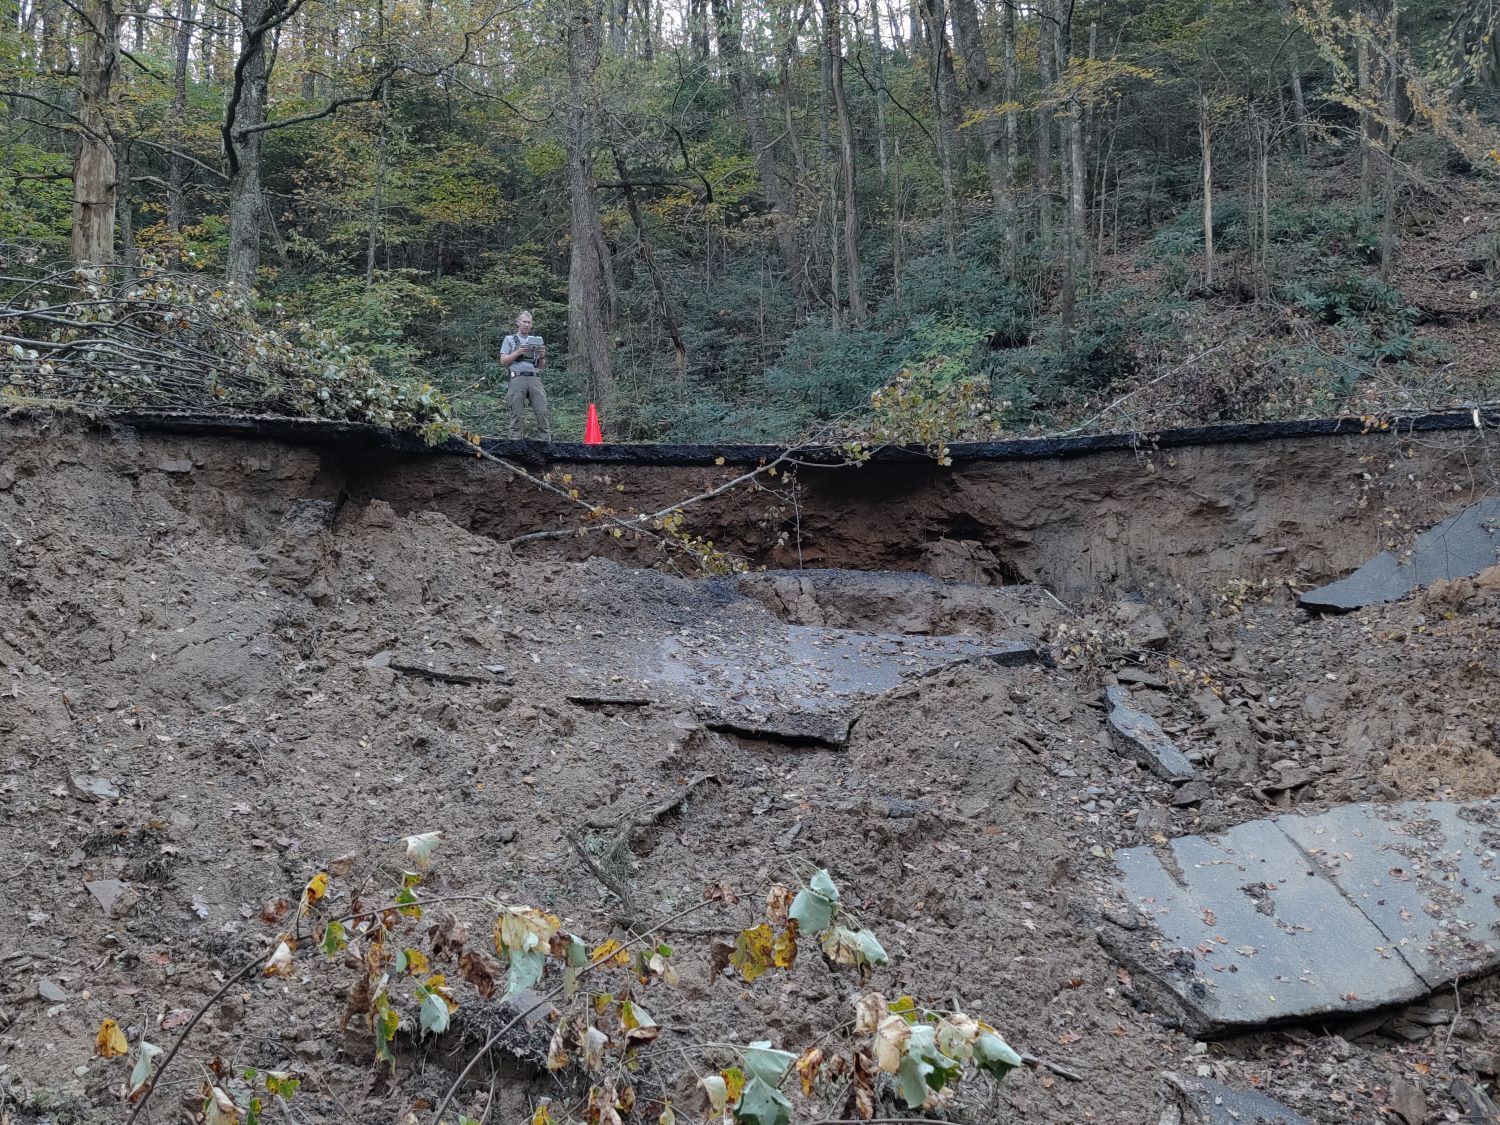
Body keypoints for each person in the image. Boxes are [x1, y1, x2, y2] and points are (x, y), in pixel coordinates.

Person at [500, 310, 550, 442]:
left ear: (531, 324)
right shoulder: (509, 339)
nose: (526, 325)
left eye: (529, 322)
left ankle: (545, 441)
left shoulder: (535, 341)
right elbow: (503, 361)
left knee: (542, 410)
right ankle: (515, 441)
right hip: (517, 378)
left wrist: (542, 355)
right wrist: (518, 352)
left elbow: (540, 366)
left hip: (534, 378)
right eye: (524, 321)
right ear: (518, 323)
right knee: (516, 411)